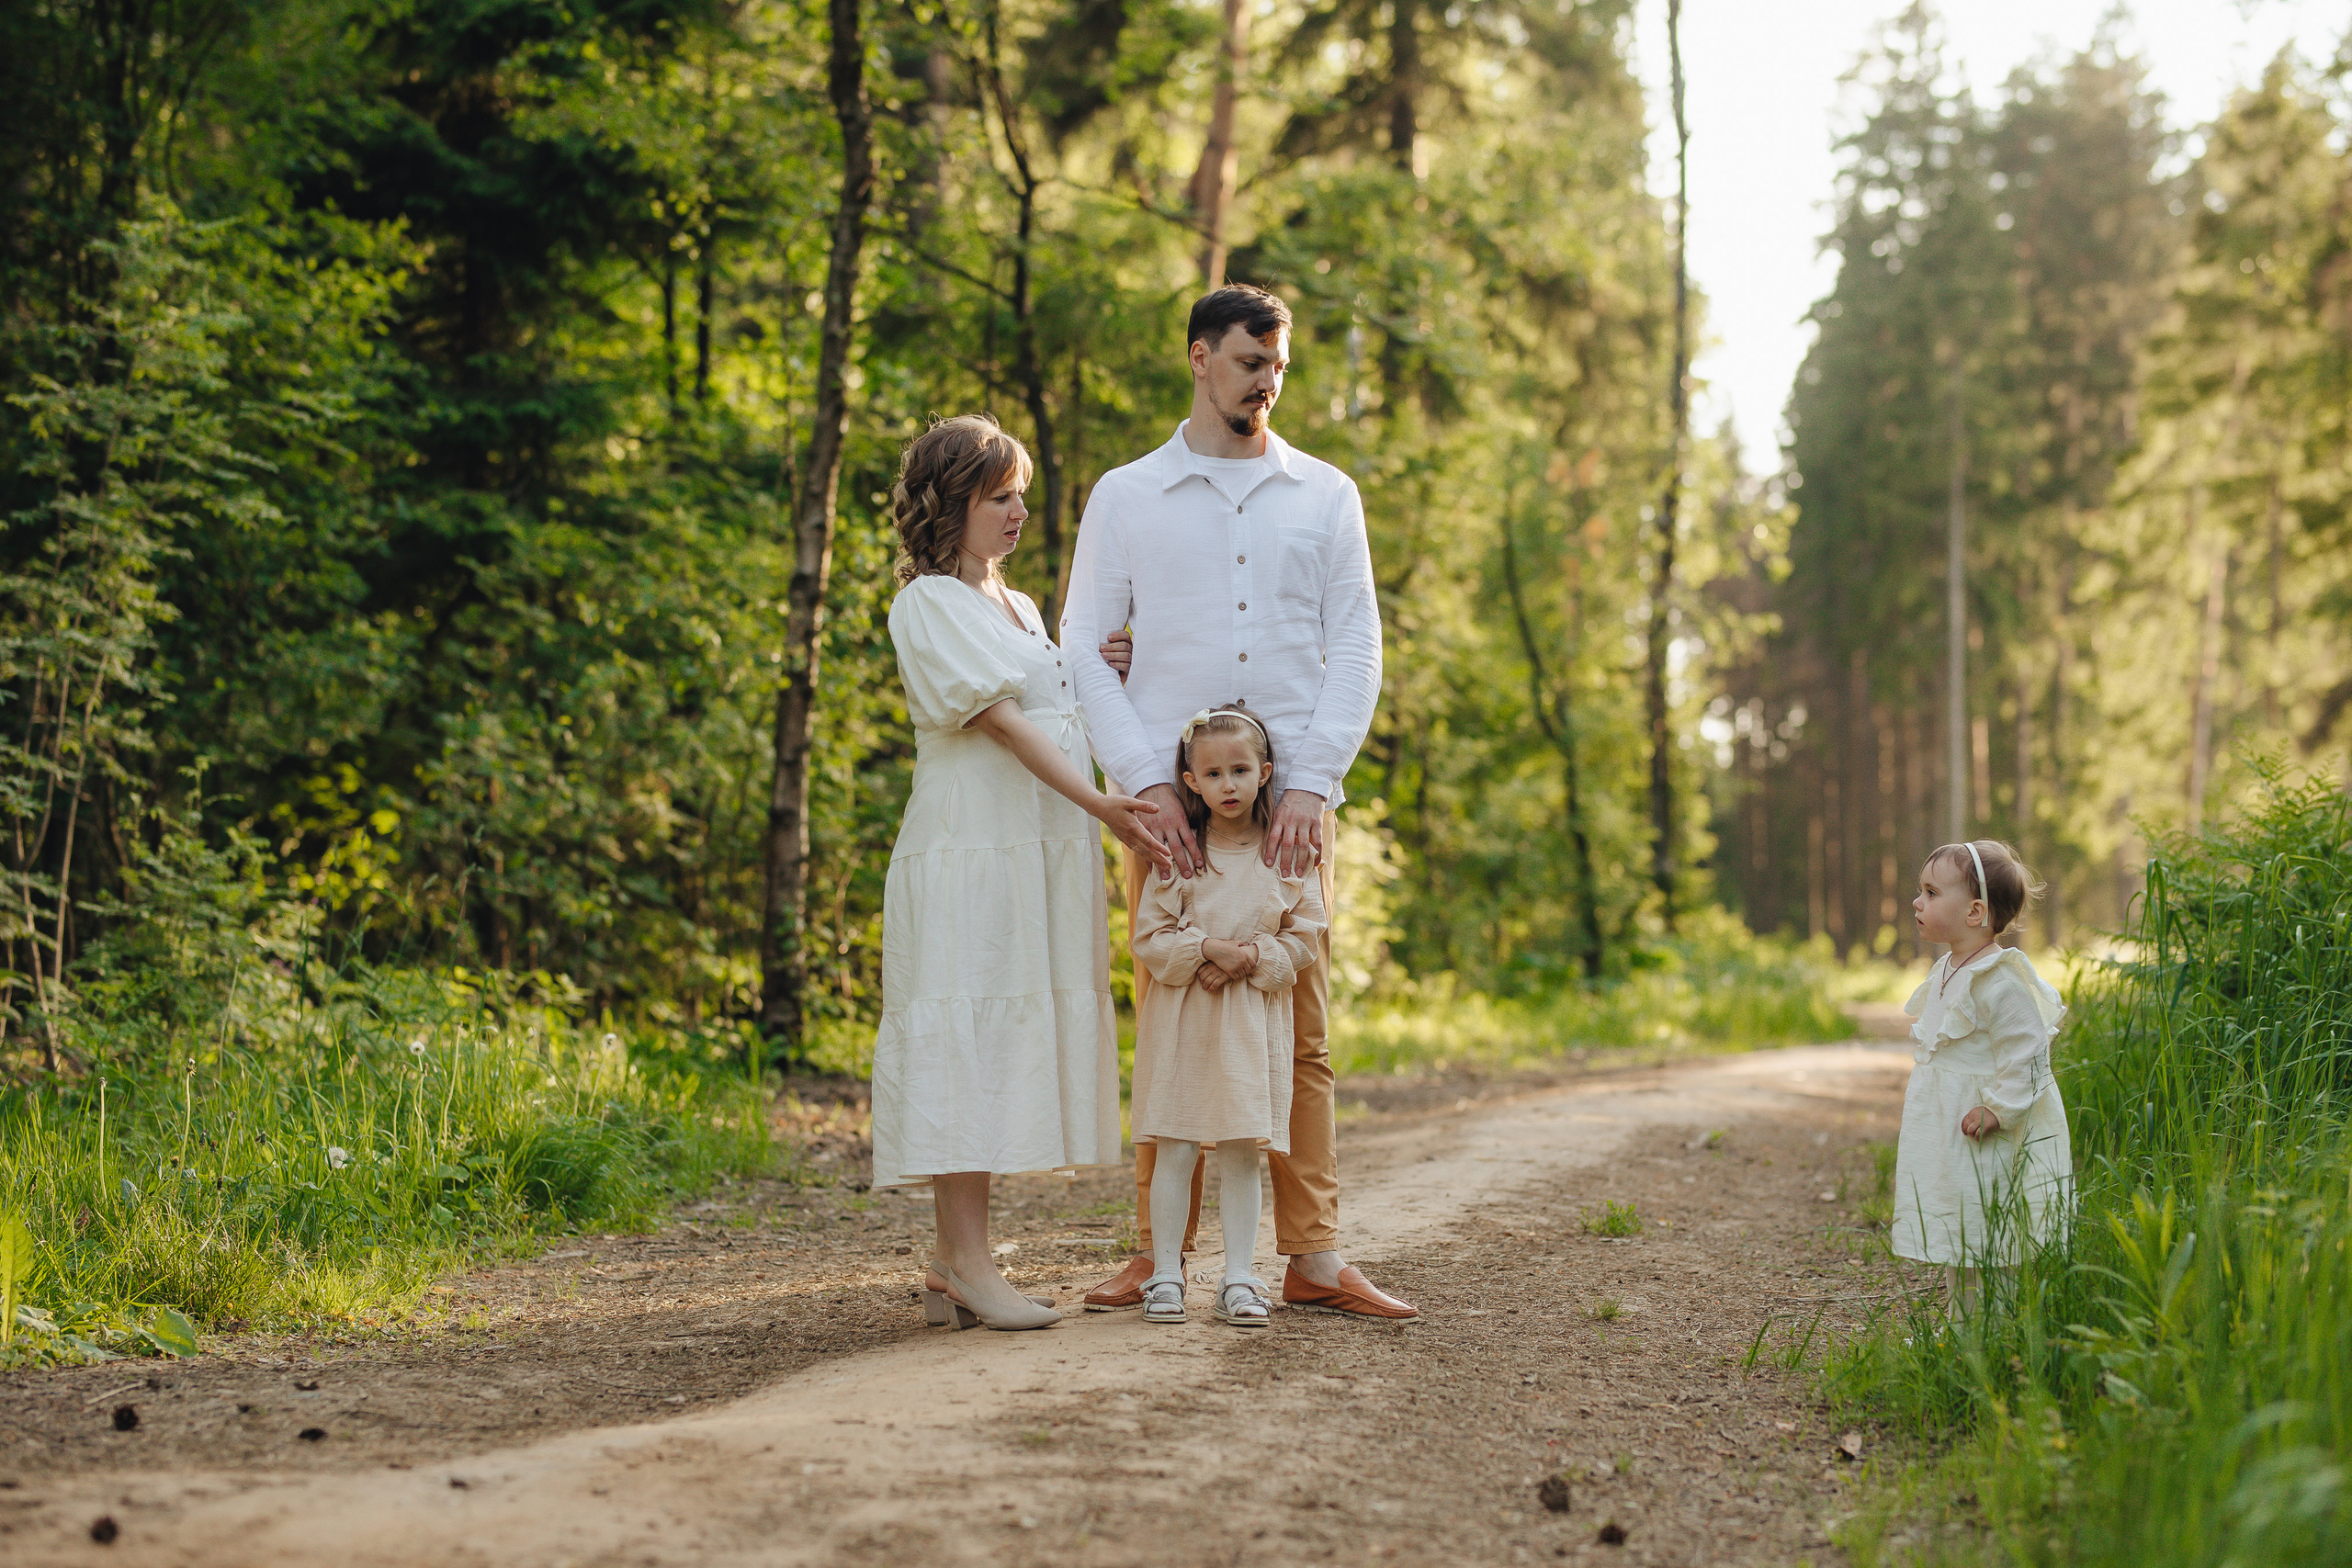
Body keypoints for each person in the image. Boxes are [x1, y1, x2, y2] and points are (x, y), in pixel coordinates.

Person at [1062, 284, 1417, 1321]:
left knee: (1298, 1033)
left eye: (1278, 366)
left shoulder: (1326, 494)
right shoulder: (1126, 494)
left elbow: (1356, 639)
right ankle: (1153, 1252)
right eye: (1249, 362)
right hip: (1169, 807)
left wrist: (1311, 779)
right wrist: (1139, 783)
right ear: (1198, 358)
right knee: (1169, 1020)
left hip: (1291, 804)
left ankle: (1310, 1257)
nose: (1266, 382)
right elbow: (1085, 641)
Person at [871, 413, 1172, 1333]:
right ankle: (963, 1260)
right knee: (968, 1032)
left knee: (999, 1039)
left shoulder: (1021, 607)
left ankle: (954, 1261)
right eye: (999, 496)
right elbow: (999, 721)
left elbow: (1047, 703)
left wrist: (1093, 672)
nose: (1018, 512)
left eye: (1021, 495)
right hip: (971, 849)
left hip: (1028, 849)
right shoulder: (925, 601)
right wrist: (1101, 807)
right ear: (952, 499)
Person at [1130, 705, 1328, 1327]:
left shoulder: (1287, 858)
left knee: (1244, 1147)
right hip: (1184, 1020)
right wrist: (1205, 950)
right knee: (1178, 1143)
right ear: (1190, 782)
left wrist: (1249, 956)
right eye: (1213, 774)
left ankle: (1239, 1274)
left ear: (1265, 772)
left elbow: (1305, 937)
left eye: (1241, 770)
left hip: (1249, 1023)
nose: (1229, 785)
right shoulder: (1179, 855)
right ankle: (1165, 1273)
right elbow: (1150, 936)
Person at [1894, 840, 2073, 1314]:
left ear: (1975, 911)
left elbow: (2029, 1051)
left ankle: (1994, 1328)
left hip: (1984, 1126)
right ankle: (1962, 1325)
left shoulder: (2000, 979)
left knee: (1987, 1226)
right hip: (1949, 1124)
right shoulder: (1948, 968)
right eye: (1921, 891)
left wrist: (1998, 1107)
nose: (1918, 902)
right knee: (1959, 1222)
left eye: (1931, 893)